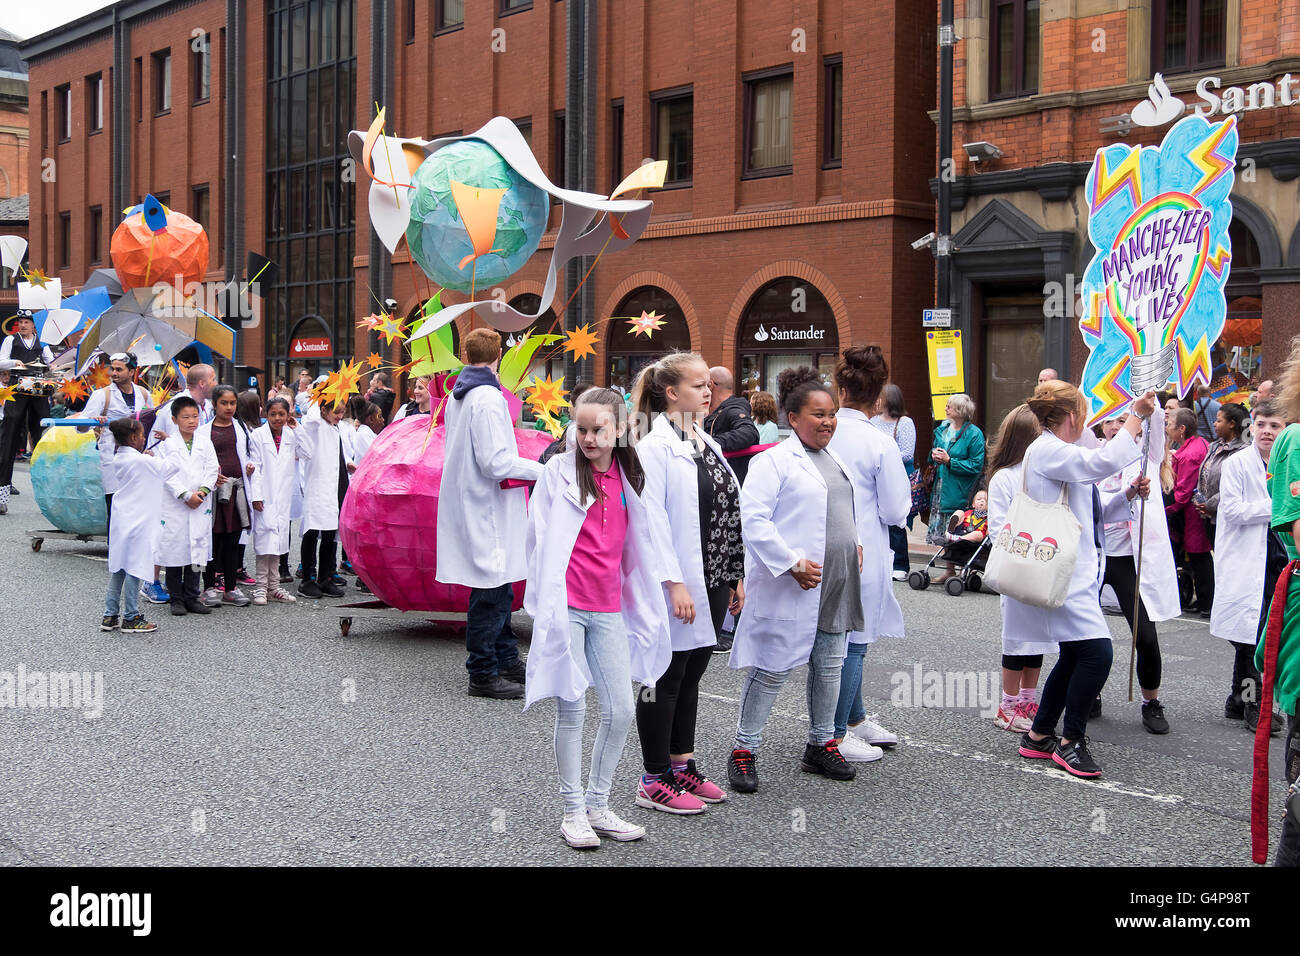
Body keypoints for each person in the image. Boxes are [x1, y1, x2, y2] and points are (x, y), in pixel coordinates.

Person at [523, 388, 673, 848]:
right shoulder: (558, 473)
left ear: (621, 429)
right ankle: (572, 812)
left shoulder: (631, 476)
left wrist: (668, 586)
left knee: (622, 709)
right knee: (573, 706)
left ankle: (598, 803)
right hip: (567, 604)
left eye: (598, 430)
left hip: (609, 608)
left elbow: (646, 540)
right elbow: (538, 537)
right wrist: (543, 604)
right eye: (581, 429)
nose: (588, 438)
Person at [727, 366, 863, 794]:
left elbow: (839, 510)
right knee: (771, 668)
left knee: (828, 666)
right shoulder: (773, 461)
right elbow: (753, 520)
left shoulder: (834, 458)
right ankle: (743, 750)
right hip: (794, 582)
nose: (828, 422)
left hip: (836, 580)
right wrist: (790, 564)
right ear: (792, 417)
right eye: (818, 414)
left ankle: (822, 743)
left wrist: (854, 541)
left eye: (832, 414)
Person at [1012, 381, 1156, 778]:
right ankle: (1070, 740)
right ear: (1073, 416)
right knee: (1097, 653)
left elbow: (1089, 508)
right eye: (1086, 412)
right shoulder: (1048, 450)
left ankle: (1040, 734)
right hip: (1064, 572)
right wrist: (1136, 417)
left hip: (1075, 570)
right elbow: (1100, 465)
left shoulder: (1060, 452)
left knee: (1076, 653)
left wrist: (1125, 494)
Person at [630, 353, 743, 814]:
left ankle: (682, 765)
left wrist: (735, 574)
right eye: (698, 385)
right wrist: (674, 582)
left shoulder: (704, 439)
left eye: (709, 386)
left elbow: (727, 510)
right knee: (663, 674)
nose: (708, 391)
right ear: (671, 393)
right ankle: (653, 777)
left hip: (713, 573)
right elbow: (651, 519)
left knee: (693, 669)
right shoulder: (652, 446)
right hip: (676, 578)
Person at [438, 328, 543, 699]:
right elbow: (495, 461)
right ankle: (482, 671)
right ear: (499, 353)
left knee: (496, 586)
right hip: (487, 506)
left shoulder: (460, 395)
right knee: (491, 591)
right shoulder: (486, 397)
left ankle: (504, 657)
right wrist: (544, 471)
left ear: (466, 355)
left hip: (479, 502)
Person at [827, 346, 910, 760]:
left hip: (824, 546)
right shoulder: (879, 442)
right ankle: (836, 733)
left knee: (835, 641)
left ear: (839, 388)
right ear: (878, 397)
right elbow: (897, 511)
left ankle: (854, 718)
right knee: (854, 643)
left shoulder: (819, 430)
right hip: (864, 550)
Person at [1097, 404, 1180, 735]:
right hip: (1097, 554)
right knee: (1083, 635)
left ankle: (1151, 702)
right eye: (1111, 421)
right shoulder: (1096, 458)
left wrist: (1150, 397)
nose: (1117, 427)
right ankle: (1089, 693)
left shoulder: (1147, 455)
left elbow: (1156, 421)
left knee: (1145, 635)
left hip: (1131, 559)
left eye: (1124, 419)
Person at [1213, 399, 1286, 733]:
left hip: (1277, 558)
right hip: (1246, 557)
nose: (1267, 432)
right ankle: (1253, 703)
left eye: (1275, 426)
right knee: (1252, 636)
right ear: (1251, 426)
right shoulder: (1239, 463)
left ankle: (1235, 698)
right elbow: (1233, 511)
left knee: (1265, 631)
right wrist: (1280, 506)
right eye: (1262, 425)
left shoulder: (1289, 464)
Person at [985, 404, 1044, 733]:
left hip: (1041, 568)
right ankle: (1007, 706)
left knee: (1037, 639)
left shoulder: (1041, 473)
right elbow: (997, 529)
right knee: (1017, 639)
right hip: (1016, 568)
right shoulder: (1005, 478)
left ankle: (1028, 701)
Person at [100, 418, 177, 634]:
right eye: (142, 435)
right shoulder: (142, 462)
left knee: (119, 567)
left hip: (123, 518)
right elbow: (173, 467)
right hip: (139, 521)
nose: (145, 438)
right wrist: (169, 442)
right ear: (134, 438)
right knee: (135, 567)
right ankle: (131, 617)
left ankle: (110, 615)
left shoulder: (121, 458)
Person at [75, 352, 153, 537]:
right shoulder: (102, 395)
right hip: (113, 459)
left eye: (119, 369)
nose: (114, 373)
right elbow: (80, 427)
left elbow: (150, 421)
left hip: (138, 458)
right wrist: (94, 420)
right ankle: (115, 552)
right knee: (116, 505)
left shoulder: (143, 394)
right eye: (113, 369)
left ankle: (134, 546)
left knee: (137, 505)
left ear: (132, 371)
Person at [195, 386, 259, 607]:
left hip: (236, 492)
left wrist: (250, 467)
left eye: (232, 403)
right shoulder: (203, 432)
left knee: (233, 541)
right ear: (215, 404)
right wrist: (211, 477)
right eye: (224, 403)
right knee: (212, 542)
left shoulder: (241, 429)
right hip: (212, 495)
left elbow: (250, 456)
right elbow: (197, 462)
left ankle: (231, 588)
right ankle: (209, 587)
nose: (229, 407)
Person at [157, 396, 218, 616]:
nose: (192, 421)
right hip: (176, 505)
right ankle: (176, 598)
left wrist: (201, 491)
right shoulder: (167, 444)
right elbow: (166, 475)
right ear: (174, 419)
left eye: (195, 416)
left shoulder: (204, 442)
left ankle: (192, 595)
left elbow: (212, 469)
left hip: (200, 503)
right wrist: (185, 495)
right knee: (175, 552)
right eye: (186, 417)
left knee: (198, 552)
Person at [927, 393, 986, 582]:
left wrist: (950, 461)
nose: (945, 409)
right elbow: (934, 454)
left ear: (960, 410)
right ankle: (949, 570)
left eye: (949, 406)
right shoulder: (942, 429)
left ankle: (959, 568)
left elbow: (976, 465)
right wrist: (933, 455)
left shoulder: (974, 434)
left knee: (957, 526)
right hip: (941, 485)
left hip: (959, 487)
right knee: (945, 526)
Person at [0, 313, 56, 514]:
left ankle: (49, 495)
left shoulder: (44, 342)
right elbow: (1, 362)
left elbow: (52, 363)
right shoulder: (10, 340)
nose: (22, 325)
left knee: (43, 431)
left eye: (26, 322)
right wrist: (15, 362)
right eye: (20, 322)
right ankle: (1, 495)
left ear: (34, 325)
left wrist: (56, 365)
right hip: (17, 385)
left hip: (38, 388)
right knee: (10, 430)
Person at [248, 397, 301, 605]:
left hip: (283, 495)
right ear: (266, 415)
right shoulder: (258, 435)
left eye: (282, 414)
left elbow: (307, 452)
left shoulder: (291, 434)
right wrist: (257, 495)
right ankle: (261, 587)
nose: (277, 418)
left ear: (288, 415)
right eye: (273, 414)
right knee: (264, 541)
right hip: (266, 494)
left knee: (278, 541)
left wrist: (298, 428)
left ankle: (274, 586)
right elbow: (256, 466)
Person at [296, 397, 348, 599]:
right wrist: (320, 397)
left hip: (332, 486)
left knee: (329, 534)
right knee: (312, 530)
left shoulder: (336, 428)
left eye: (342, 412)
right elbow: (310, 419)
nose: (339, 416)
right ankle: (307, 578)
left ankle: (324, 578)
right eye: (336, 411)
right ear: (324, 410)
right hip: (317, 486)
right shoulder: (315, 424)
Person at [1166, 407, 1213, 616]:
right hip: (1194, 510)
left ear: (1182, 429)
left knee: (1199, 556)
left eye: (1170, 424)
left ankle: (1206, 602)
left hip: (1193, 512)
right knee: (1198, 557)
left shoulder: (1189, 454)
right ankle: (1203, 600)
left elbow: (1183, 492)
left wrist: (1166, 510)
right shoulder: (1198, 444)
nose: (1167, 428)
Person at [871, 383, 917, 581]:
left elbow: (907, 453)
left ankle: (900, 564)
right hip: (874, 476)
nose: (877, 401)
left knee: (896, 522)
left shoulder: (904, 422)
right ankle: (881, 563)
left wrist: (882, 457)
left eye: (880, 397)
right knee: (876, 521)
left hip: (896, 476)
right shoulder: (872, 421)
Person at [1196, 402, 1250, 545]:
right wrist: (1199, 500)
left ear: (1231, 424)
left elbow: (1236, 485)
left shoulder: (1243, 451)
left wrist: (1210, 505)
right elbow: (1204, 476)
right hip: (1209, 516)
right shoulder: (1215, 446)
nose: (1214, 424)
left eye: (1219, 420)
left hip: (1226, 516)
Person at [703, 366, 760, 485]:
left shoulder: (733, 409)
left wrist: (708, 443)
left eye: (702, 385)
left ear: (711, 385)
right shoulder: (714, 411)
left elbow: (749, 432)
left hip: (729, 488)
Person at [152, 364, 216, 445]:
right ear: (202, 383)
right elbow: (176, 443)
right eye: (213, 380)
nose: (216, 384)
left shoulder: (208, 405)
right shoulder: (175, 407)